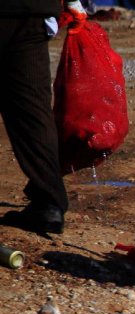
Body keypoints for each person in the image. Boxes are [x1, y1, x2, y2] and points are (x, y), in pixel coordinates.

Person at [0, 0, 81, 236]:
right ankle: (49, 204)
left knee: (31, 107)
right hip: (34, 11)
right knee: (32, 107)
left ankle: (48, 203)